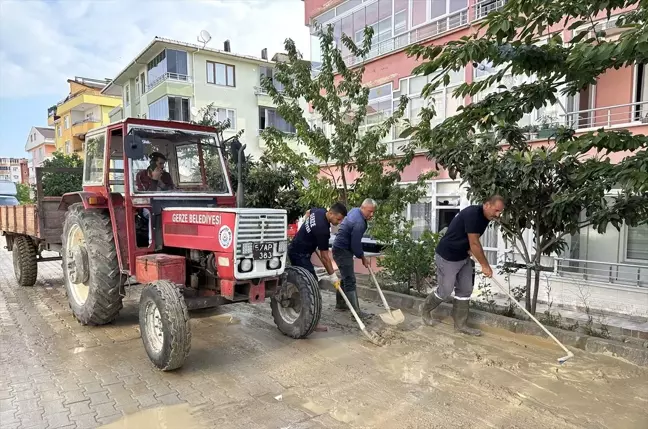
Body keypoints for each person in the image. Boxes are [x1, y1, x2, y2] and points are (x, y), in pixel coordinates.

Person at [421, 195, 505, 336]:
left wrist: (469, 249)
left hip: (462, 255)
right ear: (486, 205)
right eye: (496, 210)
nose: (498, 215)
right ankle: (424, 308)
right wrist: (485, 266)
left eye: (500, 212)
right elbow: (474, 243)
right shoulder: (473, 214)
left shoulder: (485, 218)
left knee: (465, 289)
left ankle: (460, 325)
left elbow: (470, 240)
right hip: (448, 256)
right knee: (446, 290)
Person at [332, 198, 376, 319]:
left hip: (339, 248)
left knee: (346, 277)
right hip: (342, 250)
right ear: (363, 208)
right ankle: (356, 312)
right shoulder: (359, 223)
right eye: (369, 211)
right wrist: (362, 257)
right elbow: (355, 244)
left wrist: (360, 255)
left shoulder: (355, 211)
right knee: (350, 279)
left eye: (373, 212)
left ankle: (340, 304)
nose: (371, 214)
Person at [288, 202, 348, 281]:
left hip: (295, 247)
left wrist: (306, 226)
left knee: (304, 280)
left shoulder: (320, 211)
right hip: (299, 254)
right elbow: (324, 258)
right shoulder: (323, 230)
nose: (340, 222)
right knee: (311, 282)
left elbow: (308, 212)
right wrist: (333, 277)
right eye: (338, 219)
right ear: (331, 213)